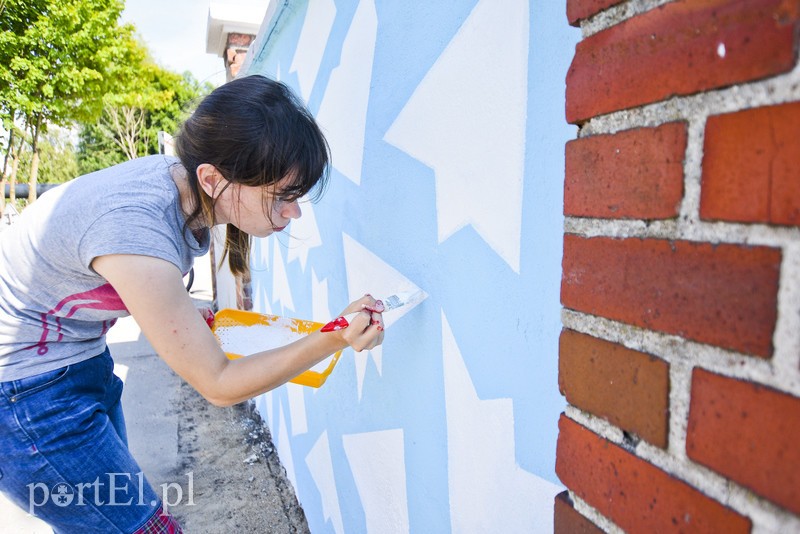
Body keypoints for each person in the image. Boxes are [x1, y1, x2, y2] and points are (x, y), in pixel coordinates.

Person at [0, 75, 384, 533]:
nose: (293, 212)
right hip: (24, 395)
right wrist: (334, 338)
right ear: (212, 178)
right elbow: (219, 384)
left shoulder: (180, 188)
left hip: (77, 359)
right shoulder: (136, 228)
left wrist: (178, 313)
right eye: (282, 196)